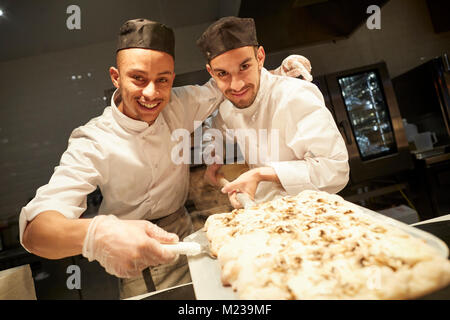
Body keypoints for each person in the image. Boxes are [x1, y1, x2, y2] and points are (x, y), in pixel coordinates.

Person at [19, 18, 308, 299]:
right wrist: (98, 235)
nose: (151, 93)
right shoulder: (93, 140)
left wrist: (274, 74)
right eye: (138, 79)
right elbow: (36, 231)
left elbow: (226, 86)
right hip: (137, 253)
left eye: (163, 80)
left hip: (187, 232)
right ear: (116, 77)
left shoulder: (180, 104)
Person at [198, 17, 350, 209]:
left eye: (244, 67)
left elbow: (335, 169)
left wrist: (260, 174)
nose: (236, 85)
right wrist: (213, 156)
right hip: (264, 213)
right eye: (223, 74)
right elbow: (213, 130)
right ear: (211, 73)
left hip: (314, 214)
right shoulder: (227, 109)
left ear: (260, 57)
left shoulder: (295, 96)